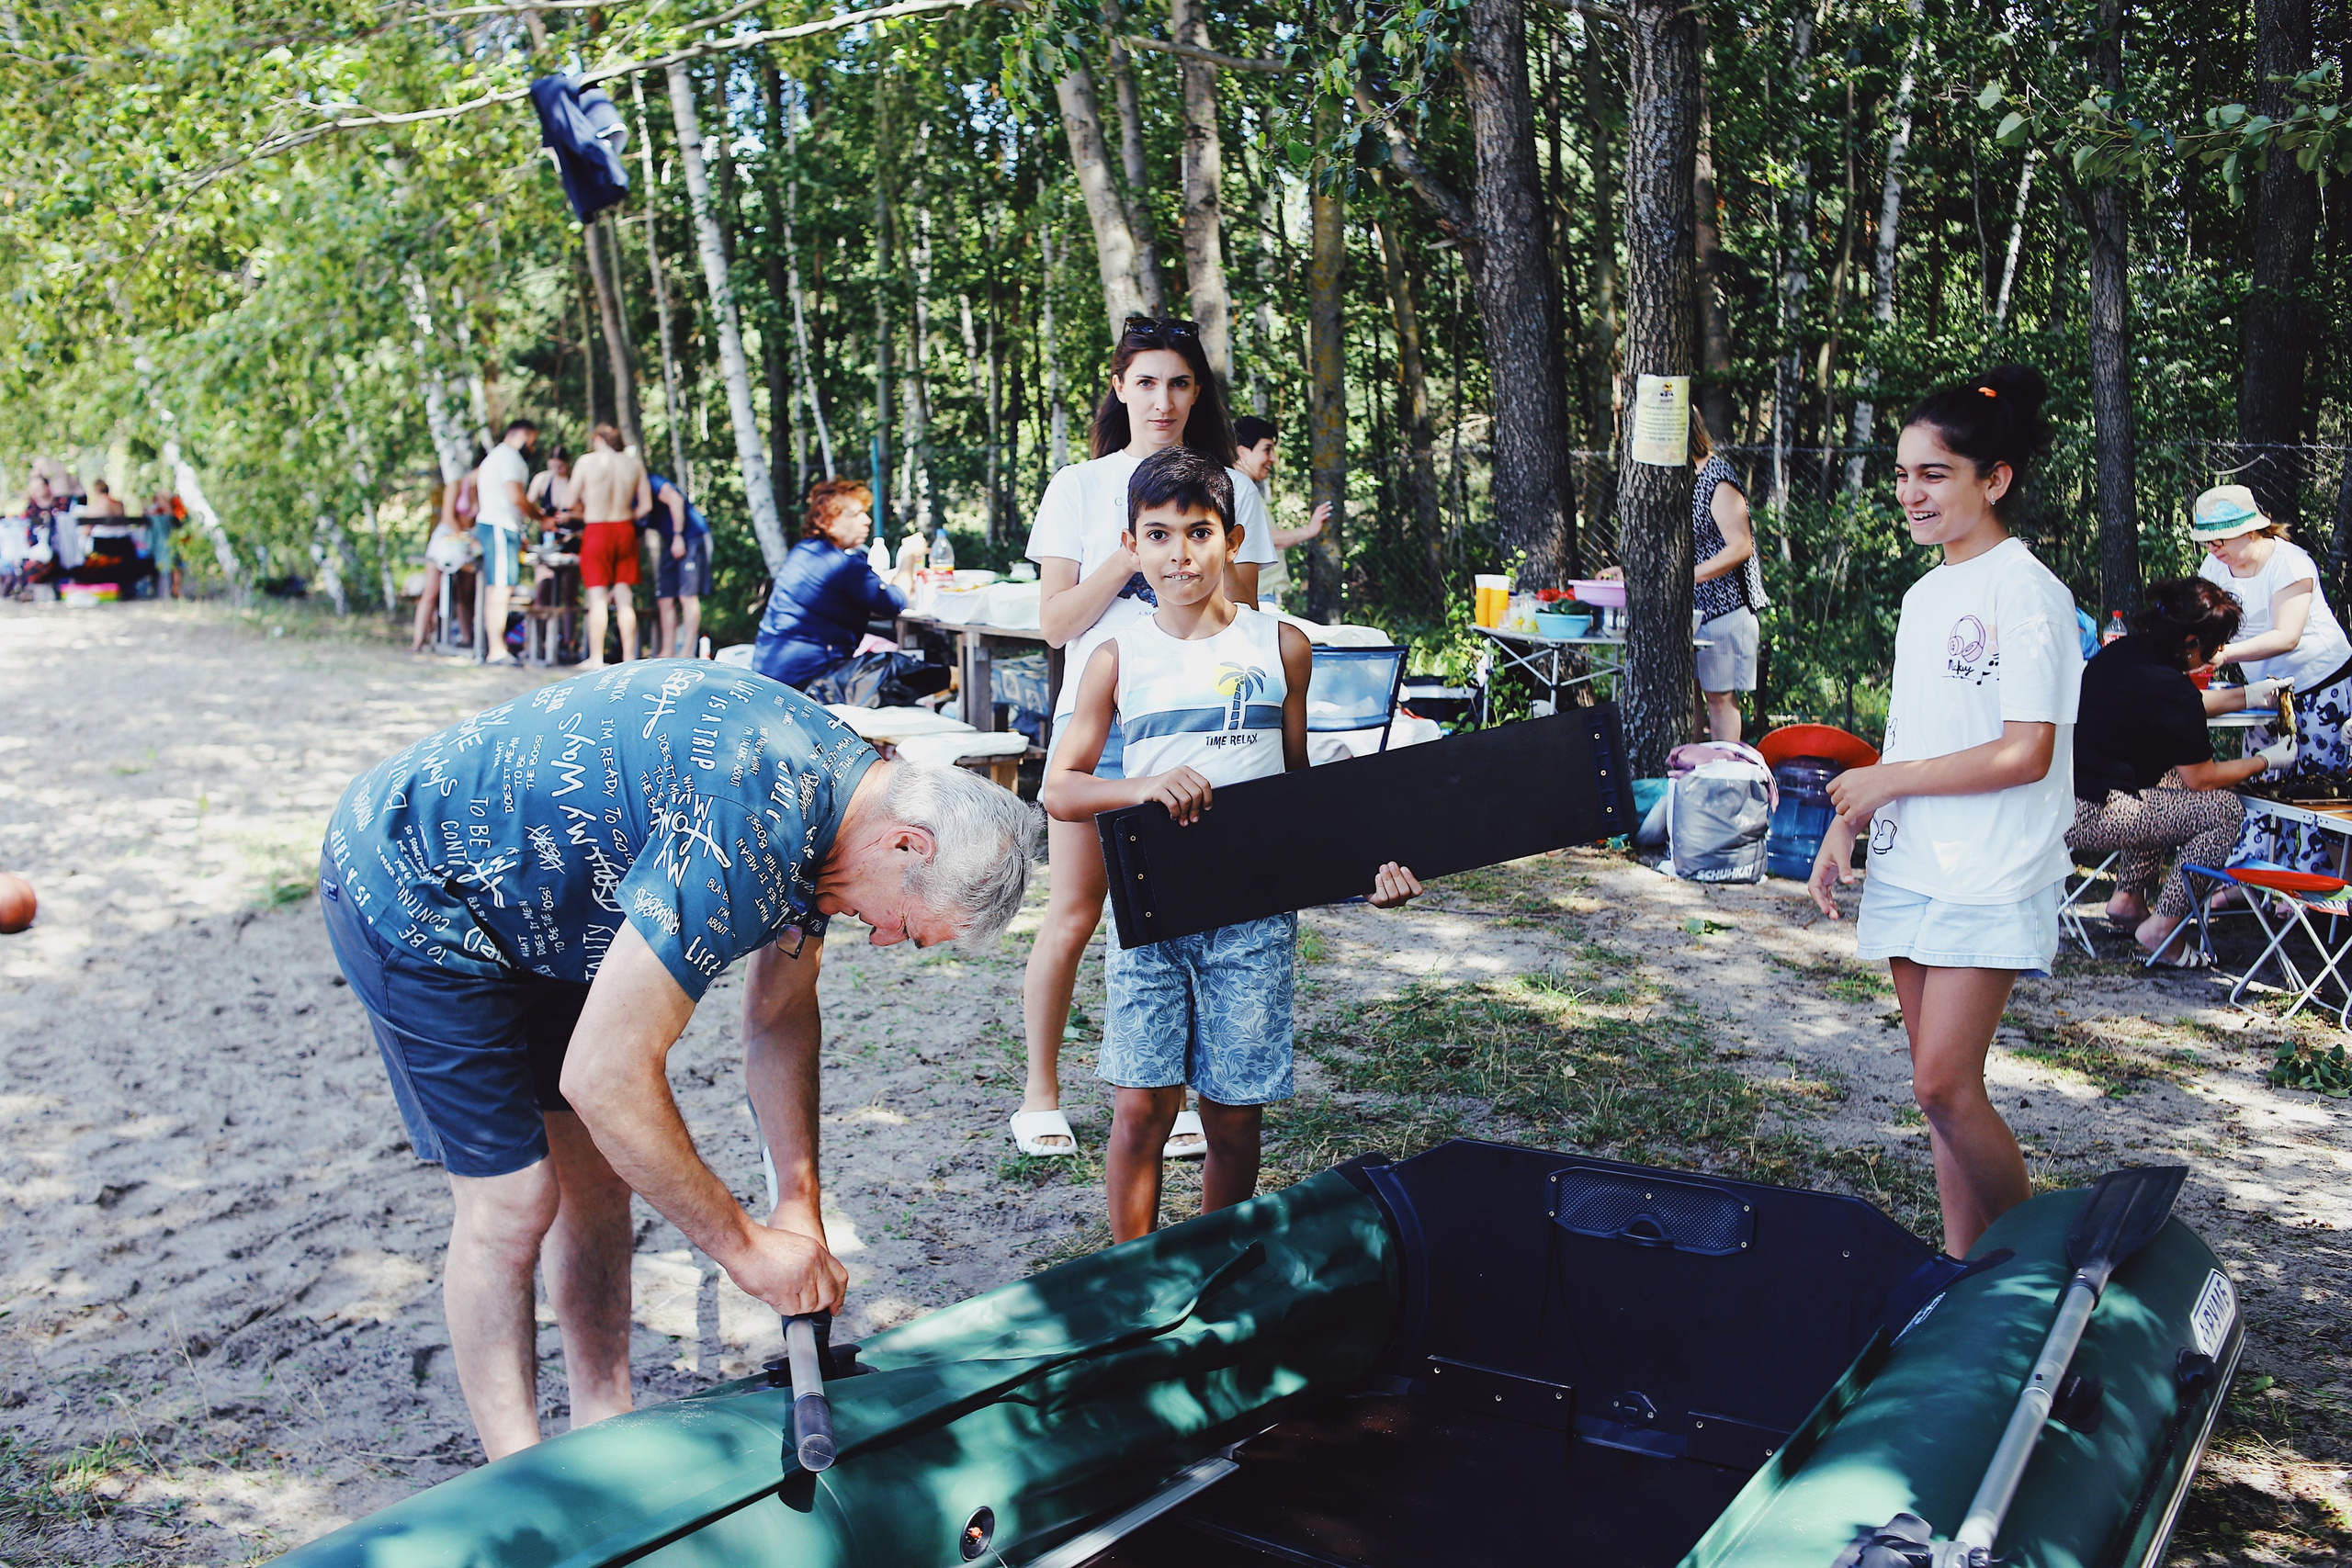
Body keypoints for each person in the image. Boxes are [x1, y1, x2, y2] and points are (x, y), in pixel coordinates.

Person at [321, 661, 1039, 1458]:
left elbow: (780, 1013)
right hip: (416, 883)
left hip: (549, 899)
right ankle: (519, 1477)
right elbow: (606, 1075)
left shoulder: (845, 808)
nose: (881, 937)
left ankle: (604, 1422)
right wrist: (744, 1248)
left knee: (597, 1171)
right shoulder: (751, 820)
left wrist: (796, 1199)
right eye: (905, 922)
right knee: (513, 1202)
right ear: (907, 841)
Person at [1039, 446, 1420, 1240]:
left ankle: (1214, 1277)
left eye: (1199, 532)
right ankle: (1137, 1280)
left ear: (1233, 539)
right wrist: (1143, 788)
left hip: (1253, 915)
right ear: (1132, 545)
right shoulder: (1114, 659)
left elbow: (1300, 794)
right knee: (1142, 1108)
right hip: (1153, 913)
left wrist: (1367, 874)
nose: (1180, 554)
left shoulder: (1281, 647)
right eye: (1159, 535)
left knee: (1234, 1115)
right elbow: (1060, 788)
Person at [1808, 364, 2081, 1260]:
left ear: (1992, 479)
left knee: (1945, 1085)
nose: (1910, 493)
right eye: (1900, 474)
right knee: (1936, 1104)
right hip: (1912, 860)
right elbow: (1914, 735)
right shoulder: (1926, 595)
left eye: (1933, 473)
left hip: (1991, 869)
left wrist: (1888, 783)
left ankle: (2031, 1275)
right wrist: (1851, 818)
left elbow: (2024, 751)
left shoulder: (2026, 591)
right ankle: (1962, 1275)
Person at [1014, 314, 1281, 1161]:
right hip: (1104, 727)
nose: (1161, 400)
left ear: (1197, 392)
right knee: (1076, 910)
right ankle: (1041, 1094)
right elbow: (1056, 625)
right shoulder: (1079, 487)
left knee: (1203, 911)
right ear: (1119, 385)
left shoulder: (1234, 488)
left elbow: (1240, 614)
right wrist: (1132, 555)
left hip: (1205, 731)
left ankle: (1191, 1094)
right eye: (1146, 382)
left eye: (1179, 383)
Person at [2067, 576, 2288, 964]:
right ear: (2191, 642)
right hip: (2096, 814)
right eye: (2215, 646)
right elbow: (2201, 778)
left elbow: (2181, 705)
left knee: (2164, 780)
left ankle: (2128, 900)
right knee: (2223, 810)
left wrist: (2249, 697)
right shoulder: (2172, 687)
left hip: (2063, 797)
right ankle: (2164, 927)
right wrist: (2267, 759)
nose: (2215, 654)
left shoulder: (2122, 654)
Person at [2191, 483, 2352, 875]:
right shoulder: (2213, 568)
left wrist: (2225, 654)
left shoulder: (2291, 564)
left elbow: (2287, 636)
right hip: (2264, 690)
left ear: (2251, 530)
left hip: (2320, 683)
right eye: (2206, 540)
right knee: (2259, 779)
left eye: (2220, 538)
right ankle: (2255, 875)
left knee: (2316, 789)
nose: (2213, 548)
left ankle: (2317, 888)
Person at [752, 479, 907, 687]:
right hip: (809, 682)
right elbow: (895, 602)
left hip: (771, 674)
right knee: (919, 672)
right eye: (854, 515)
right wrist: (909, 559)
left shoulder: (804, 551)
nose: (866, 520)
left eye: (865, 513)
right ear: (828, 521)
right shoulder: (843, 565)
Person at [1229, 415, 1329, 610]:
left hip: (1260, 594)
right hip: (1251, 596)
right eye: (1267, 449)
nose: (1273, 459)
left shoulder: (1245, 488)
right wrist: (1309, 531)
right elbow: (1256, 539)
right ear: (1241, 451)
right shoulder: (1234, 488)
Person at [571, 423, 650, 667]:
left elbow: (569, 500)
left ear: (597, 439)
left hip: (597, 529)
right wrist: (628, 516)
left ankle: (596, 658)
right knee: (625, 596)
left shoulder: (587, 462)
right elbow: (646, 506)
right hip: (625, 528)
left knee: (597, 596)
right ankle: (629, 658)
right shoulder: (633, 463)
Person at [475, 422, 546, 666]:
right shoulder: (508, 457)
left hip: (503, 526)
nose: (533, 447)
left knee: (498, 586)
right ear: (523, 435)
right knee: (500, 587)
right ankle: (496, 650)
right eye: (533, 441)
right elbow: (517, 497)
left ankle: (495, 647)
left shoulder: (497, 457)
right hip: (499, 526)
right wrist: (542, 518)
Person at [645, 471, 713, 659]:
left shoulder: (652, 481)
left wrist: (678, 535)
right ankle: (667, 651)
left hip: (691, 536)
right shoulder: (627, 495)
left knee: (687, 596)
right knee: (665, 598)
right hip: (670, 539)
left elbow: (676, 499)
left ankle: (687, 651)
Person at [413, 474, 482, 654]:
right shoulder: (456, 484)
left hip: (467, 543)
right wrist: (465, 537)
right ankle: (417, 642)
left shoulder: (483, 488)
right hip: (446, 541)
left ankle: (466, 639)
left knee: (466, 594)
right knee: (431, 592)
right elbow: (447, 518)